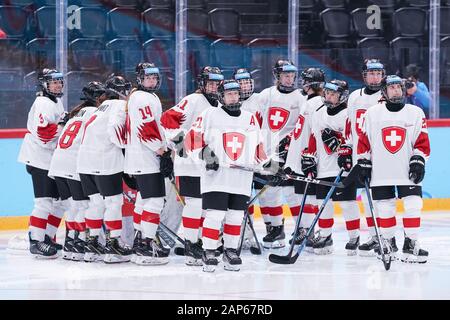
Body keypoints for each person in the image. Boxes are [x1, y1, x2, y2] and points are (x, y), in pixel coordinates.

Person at [186, 79, 265, 272]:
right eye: (229, 93)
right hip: (216, 177)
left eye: (236, 93)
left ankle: (230, 250)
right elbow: (189, 140)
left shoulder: (249, 117)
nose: (234, 96)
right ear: (221, 96)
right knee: (215, 215)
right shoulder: (209, 114)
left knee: (236, 216)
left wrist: (271, 168)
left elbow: (259, 147)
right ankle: (209, 251)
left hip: (240, 178)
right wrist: (205, 155)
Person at [356, 75, 430, 263]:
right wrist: (363, 162)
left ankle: (411, 243)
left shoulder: (415, 112)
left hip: (407, 169)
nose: (396, 90)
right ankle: (388, 242)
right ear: (384, 91)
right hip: (381, 171)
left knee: (413, 205)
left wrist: (418, 159)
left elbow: (422, 141)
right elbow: (363, 142)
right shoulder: (372, 113)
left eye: (399, 87)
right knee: (385, 208)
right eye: (392, 87)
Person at [160, 66, 224, 266]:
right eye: (210, 82)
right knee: (195, 204)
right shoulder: (193, 100)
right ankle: (191, 244)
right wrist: (182, 144)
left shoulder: (220, 105)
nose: (214, 86)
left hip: (210, 165)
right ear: (202, 84)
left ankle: (203, 243)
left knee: (207, 208)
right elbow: (167, 119)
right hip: (190, 164)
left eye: (217, 83)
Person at [48, 81, 106, 261]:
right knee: (83, 205)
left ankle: (71, 244)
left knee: (71, 206)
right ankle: (80, 241)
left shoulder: (75, 113)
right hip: (74, 162)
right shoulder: (95, 113)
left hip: (58, 163)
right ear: (97, 97)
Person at [77, 74, 132, 263]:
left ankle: (91, 245)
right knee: (113, 203)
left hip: (85, 163)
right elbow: (115, 130)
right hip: (105, 161)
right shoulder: (119, 106)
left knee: (96, 204)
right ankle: (113, 245)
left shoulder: (100, 107)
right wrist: (126, 145)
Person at [301, 80, 361, 255]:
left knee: (347, 204)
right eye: (326, 93)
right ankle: (326, 236)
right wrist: (309, 158)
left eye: (333, 94)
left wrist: (342, 147)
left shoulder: (348, 114)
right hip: (323, 168)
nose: (328, 96)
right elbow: (313, 138)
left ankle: (354, 236)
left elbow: (352, 139)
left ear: (342, 96)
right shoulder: (318, 114)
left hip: (343, 169)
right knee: (322, 204)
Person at [255, 59, 307, 249]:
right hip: (267, 154)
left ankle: (302, 228)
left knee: (291, 193)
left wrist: (290, 145)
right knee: (269, 193)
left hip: (288, 154)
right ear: (277, 75)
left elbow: (303, 124)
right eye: (286, 75)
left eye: (292, 75)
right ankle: (277, 229)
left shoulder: (300, 97)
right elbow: (256, 122)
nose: (290, 78)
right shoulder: (265, 95)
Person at [125, 62, 171, 265]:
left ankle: (139, 241)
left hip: (139, 157)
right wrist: (162, 152)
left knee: (144, 201)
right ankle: (146, 243)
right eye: (148, 77)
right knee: (155, 201)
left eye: (154, 77)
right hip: (147, 157)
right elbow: (147, 129)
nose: (152, 80)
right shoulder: (142, 98)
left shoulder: (141, 96)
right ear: (140, 79)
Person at [18, 68, 66, 258]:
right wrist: (63, 126)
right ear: (44, 84)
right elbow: (44, 135)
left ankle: (47, 236)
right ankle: (36, 241)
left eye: (59, 81)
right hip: (39, 158)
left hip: (50, 160)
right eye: (53, 82)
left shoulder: (56, 101)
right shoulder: (43, 103)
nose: (57, 85)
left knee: (60, 203)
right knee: (44, 202)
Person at [284, 67, 325, 249]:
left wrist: (310, 154)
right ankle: (305, 229)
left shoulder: (316, 102)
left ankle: (309, 230)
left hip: (306, 158)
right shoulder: (308, 101)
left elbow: (315, 130)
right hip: (299, 157)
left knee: (308, 197)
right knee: (301, 195)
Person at [347, 59, 384, 256]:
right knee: (366, 198)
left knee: (382, 199)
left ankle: (385, 237)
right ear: (364, 75)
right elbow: (349, 125)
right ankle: (374, 236)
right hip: (360, 155)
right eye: (372, 73)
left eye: (379, 73)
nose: (376, 77)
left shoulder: (387, 95)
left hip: (381, 156)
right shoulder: (354, 97)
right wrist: (347, 147)